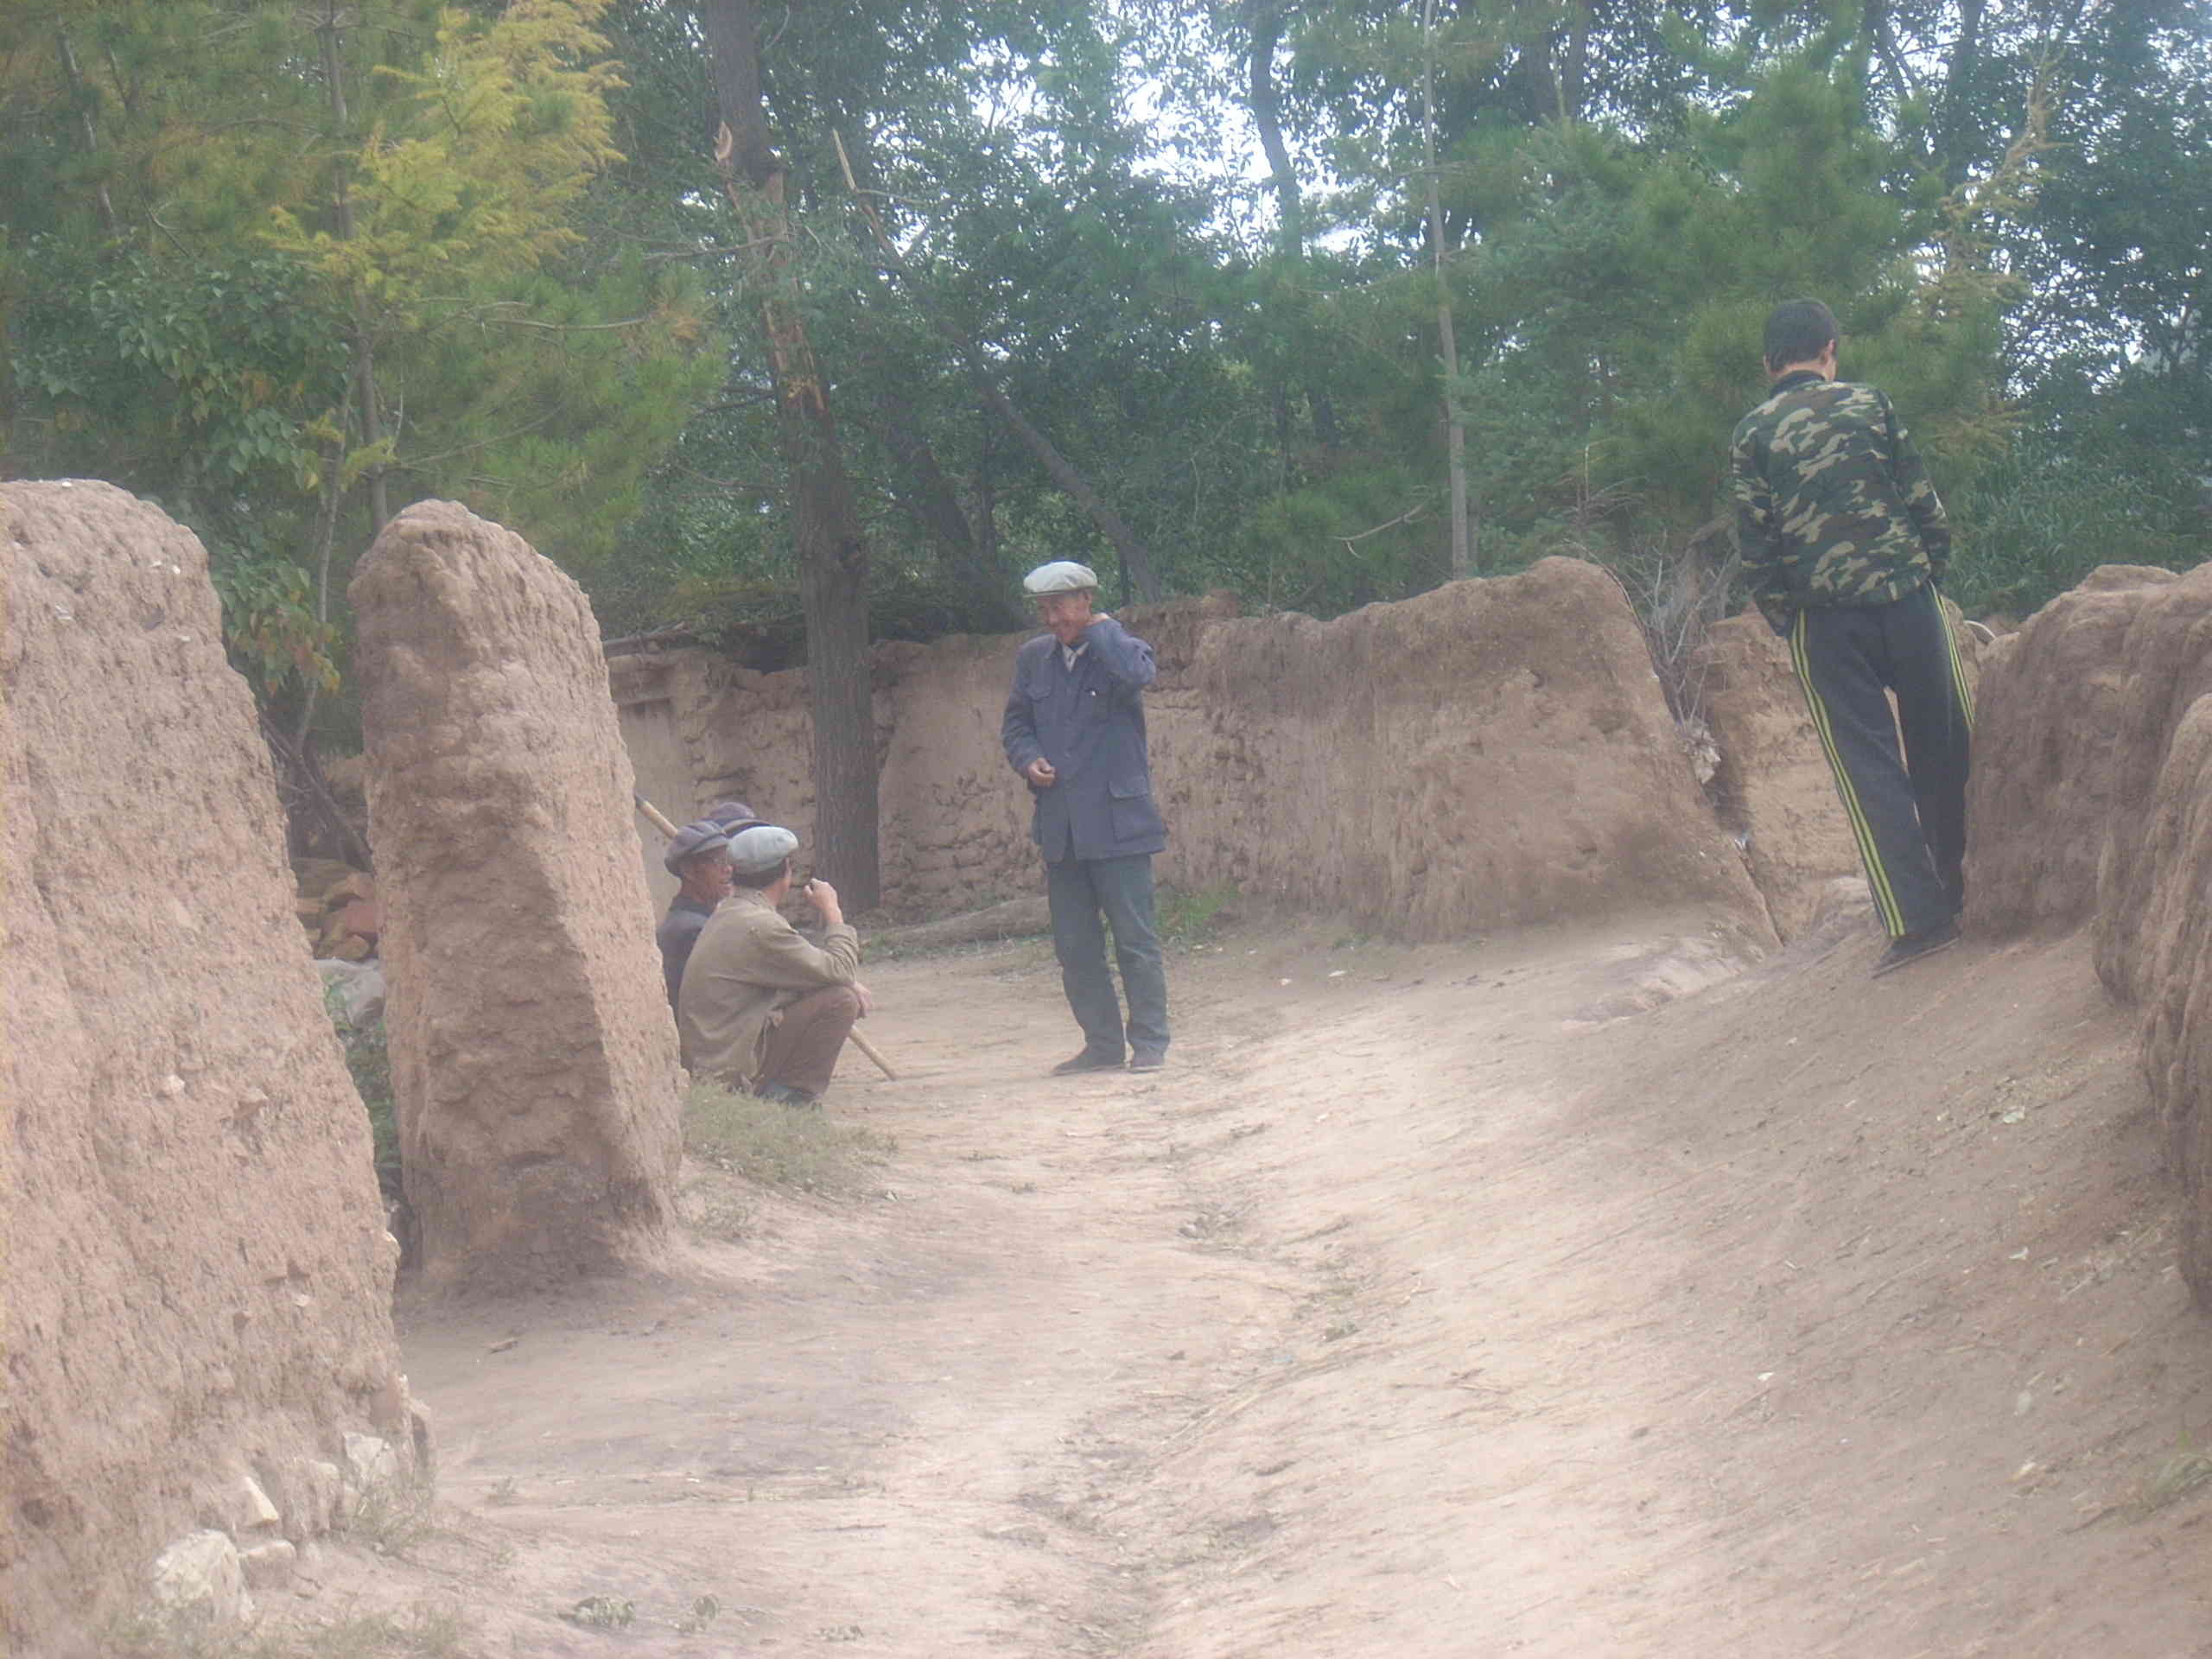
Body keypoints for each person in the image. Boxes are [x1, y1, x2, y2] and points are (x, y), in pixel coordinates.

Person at [1730, 298, 1974, 976]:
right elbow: (1922, 500)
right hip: (1907, 598)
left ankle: (1919, 922)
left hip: (1826, 621)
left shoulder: (1752, 434)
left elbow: (1757, 547)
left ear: (1769, 364)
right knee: (1945, 741)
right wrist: (1928, 575)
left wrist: (1788, 619)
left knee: (1868, 769)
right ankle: (1972, 881)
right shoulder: (1872, 404)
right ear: (1830, 350)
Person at [1001, 560, 1171, 1073]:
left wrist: (1104, 631)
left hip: (1120, 827)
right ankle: (1102, 1046)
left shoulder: (1119, 649)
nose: (1052, 620)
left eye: (1060, 608)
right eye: (1044, 610)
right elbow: (1016, 726)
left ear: (1086, 601)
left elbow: (1140, 675)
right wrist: (1029, 759)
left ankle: (1150, 1044)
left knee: (1135, 941)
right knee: (1075, 949)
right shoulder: (1034, 659)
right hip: (1063, 830)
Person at [677, 823, 872, 1106]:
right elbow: (841, 970)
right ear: (786, 871)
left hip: (716, 1058)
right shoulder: (760, 924)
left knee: (829, 989)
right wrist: (833, 911)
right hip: (728, 1071)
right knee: (840, 1000)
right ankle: (789, 1100)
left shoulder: (730, 912)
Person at [655, 819, 732, 1009]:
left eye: (729, 860)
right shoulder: (691, 931)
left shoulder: (701, 921)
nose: (728, 869)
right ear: (689, 871)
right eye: (718, 862)